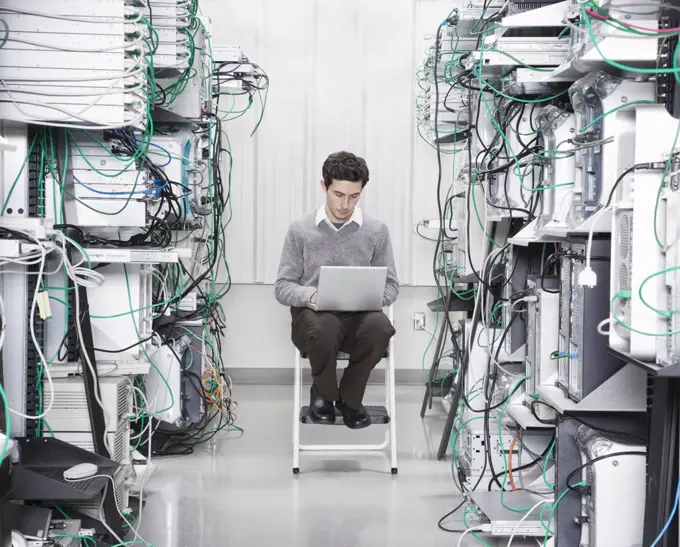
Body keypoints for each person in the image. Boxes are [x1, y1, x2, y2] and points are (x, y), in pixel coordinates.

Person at [274, 151, 399, 429]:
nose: (345, 204)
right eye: (338, 194)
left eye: (354, 196)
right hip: (313, 321)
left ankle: (350, 400)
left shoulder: (376, 231)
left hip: (359, 319)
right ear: (324, 186)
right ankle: (324, 393)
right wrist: (312, 296)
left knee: (381, 326)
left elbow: (392, 286)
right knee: (326, 325)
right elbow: (283, 287)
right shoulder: (301, 230)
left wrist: (369, 296)